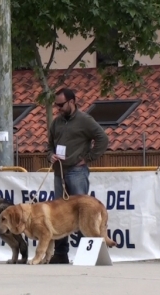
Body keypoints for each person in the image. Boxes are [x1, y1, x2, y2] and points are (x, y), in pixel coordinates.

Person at [47, 87, 109, 264]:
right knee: (58, 214)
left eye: (61, 104)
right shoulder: (56, 122)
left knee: (84, 212)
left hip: (77, 172)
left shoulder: (85, 120)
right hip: (59, 173)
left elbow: (103, 139)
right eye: (56, 105)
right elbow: (49, 145)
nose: (58, 108)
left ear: (72, 102)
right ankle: (61, 253)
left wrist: (88, 158)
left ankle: (88, 252)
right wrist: (50, 155)